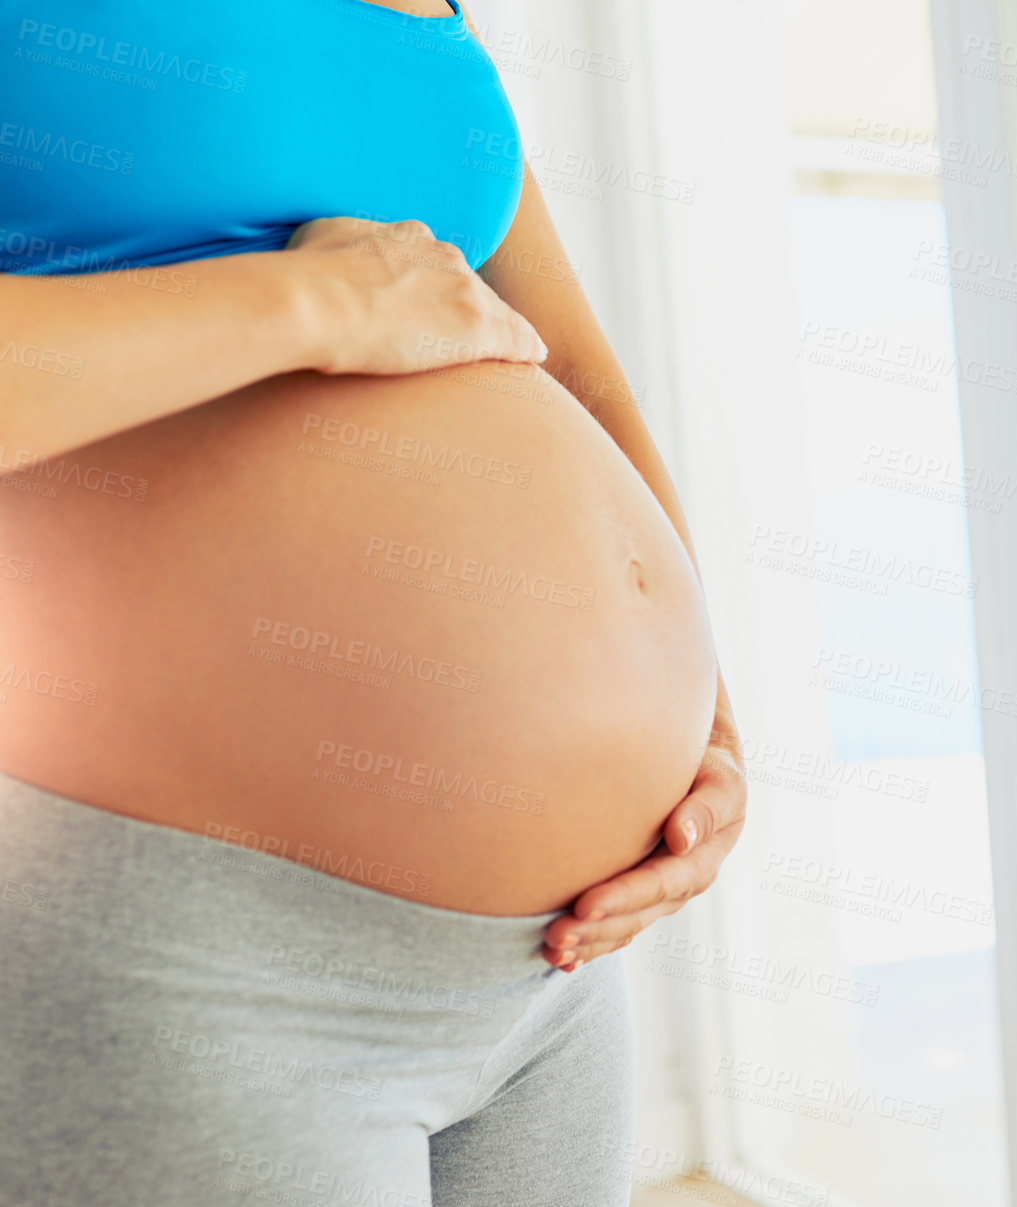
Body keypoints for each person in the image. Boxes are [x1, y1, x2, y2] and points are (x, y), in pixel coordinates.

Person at [0, 0, 746, 1203]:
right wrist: (313, 305)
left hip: (552, 969)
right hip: (189, 947)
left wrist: (707, 726)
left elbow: (566, 359)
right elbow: (381, 293)